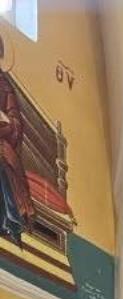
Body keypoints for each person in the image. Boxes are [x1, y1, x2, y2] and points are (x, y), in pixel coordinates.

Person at [0, 37, 34, 247]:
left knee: (4, 161)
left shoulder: (5, 87)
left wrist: (6, 126)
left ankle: (9, 220)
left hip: (2, 141)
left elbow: (16, 124)